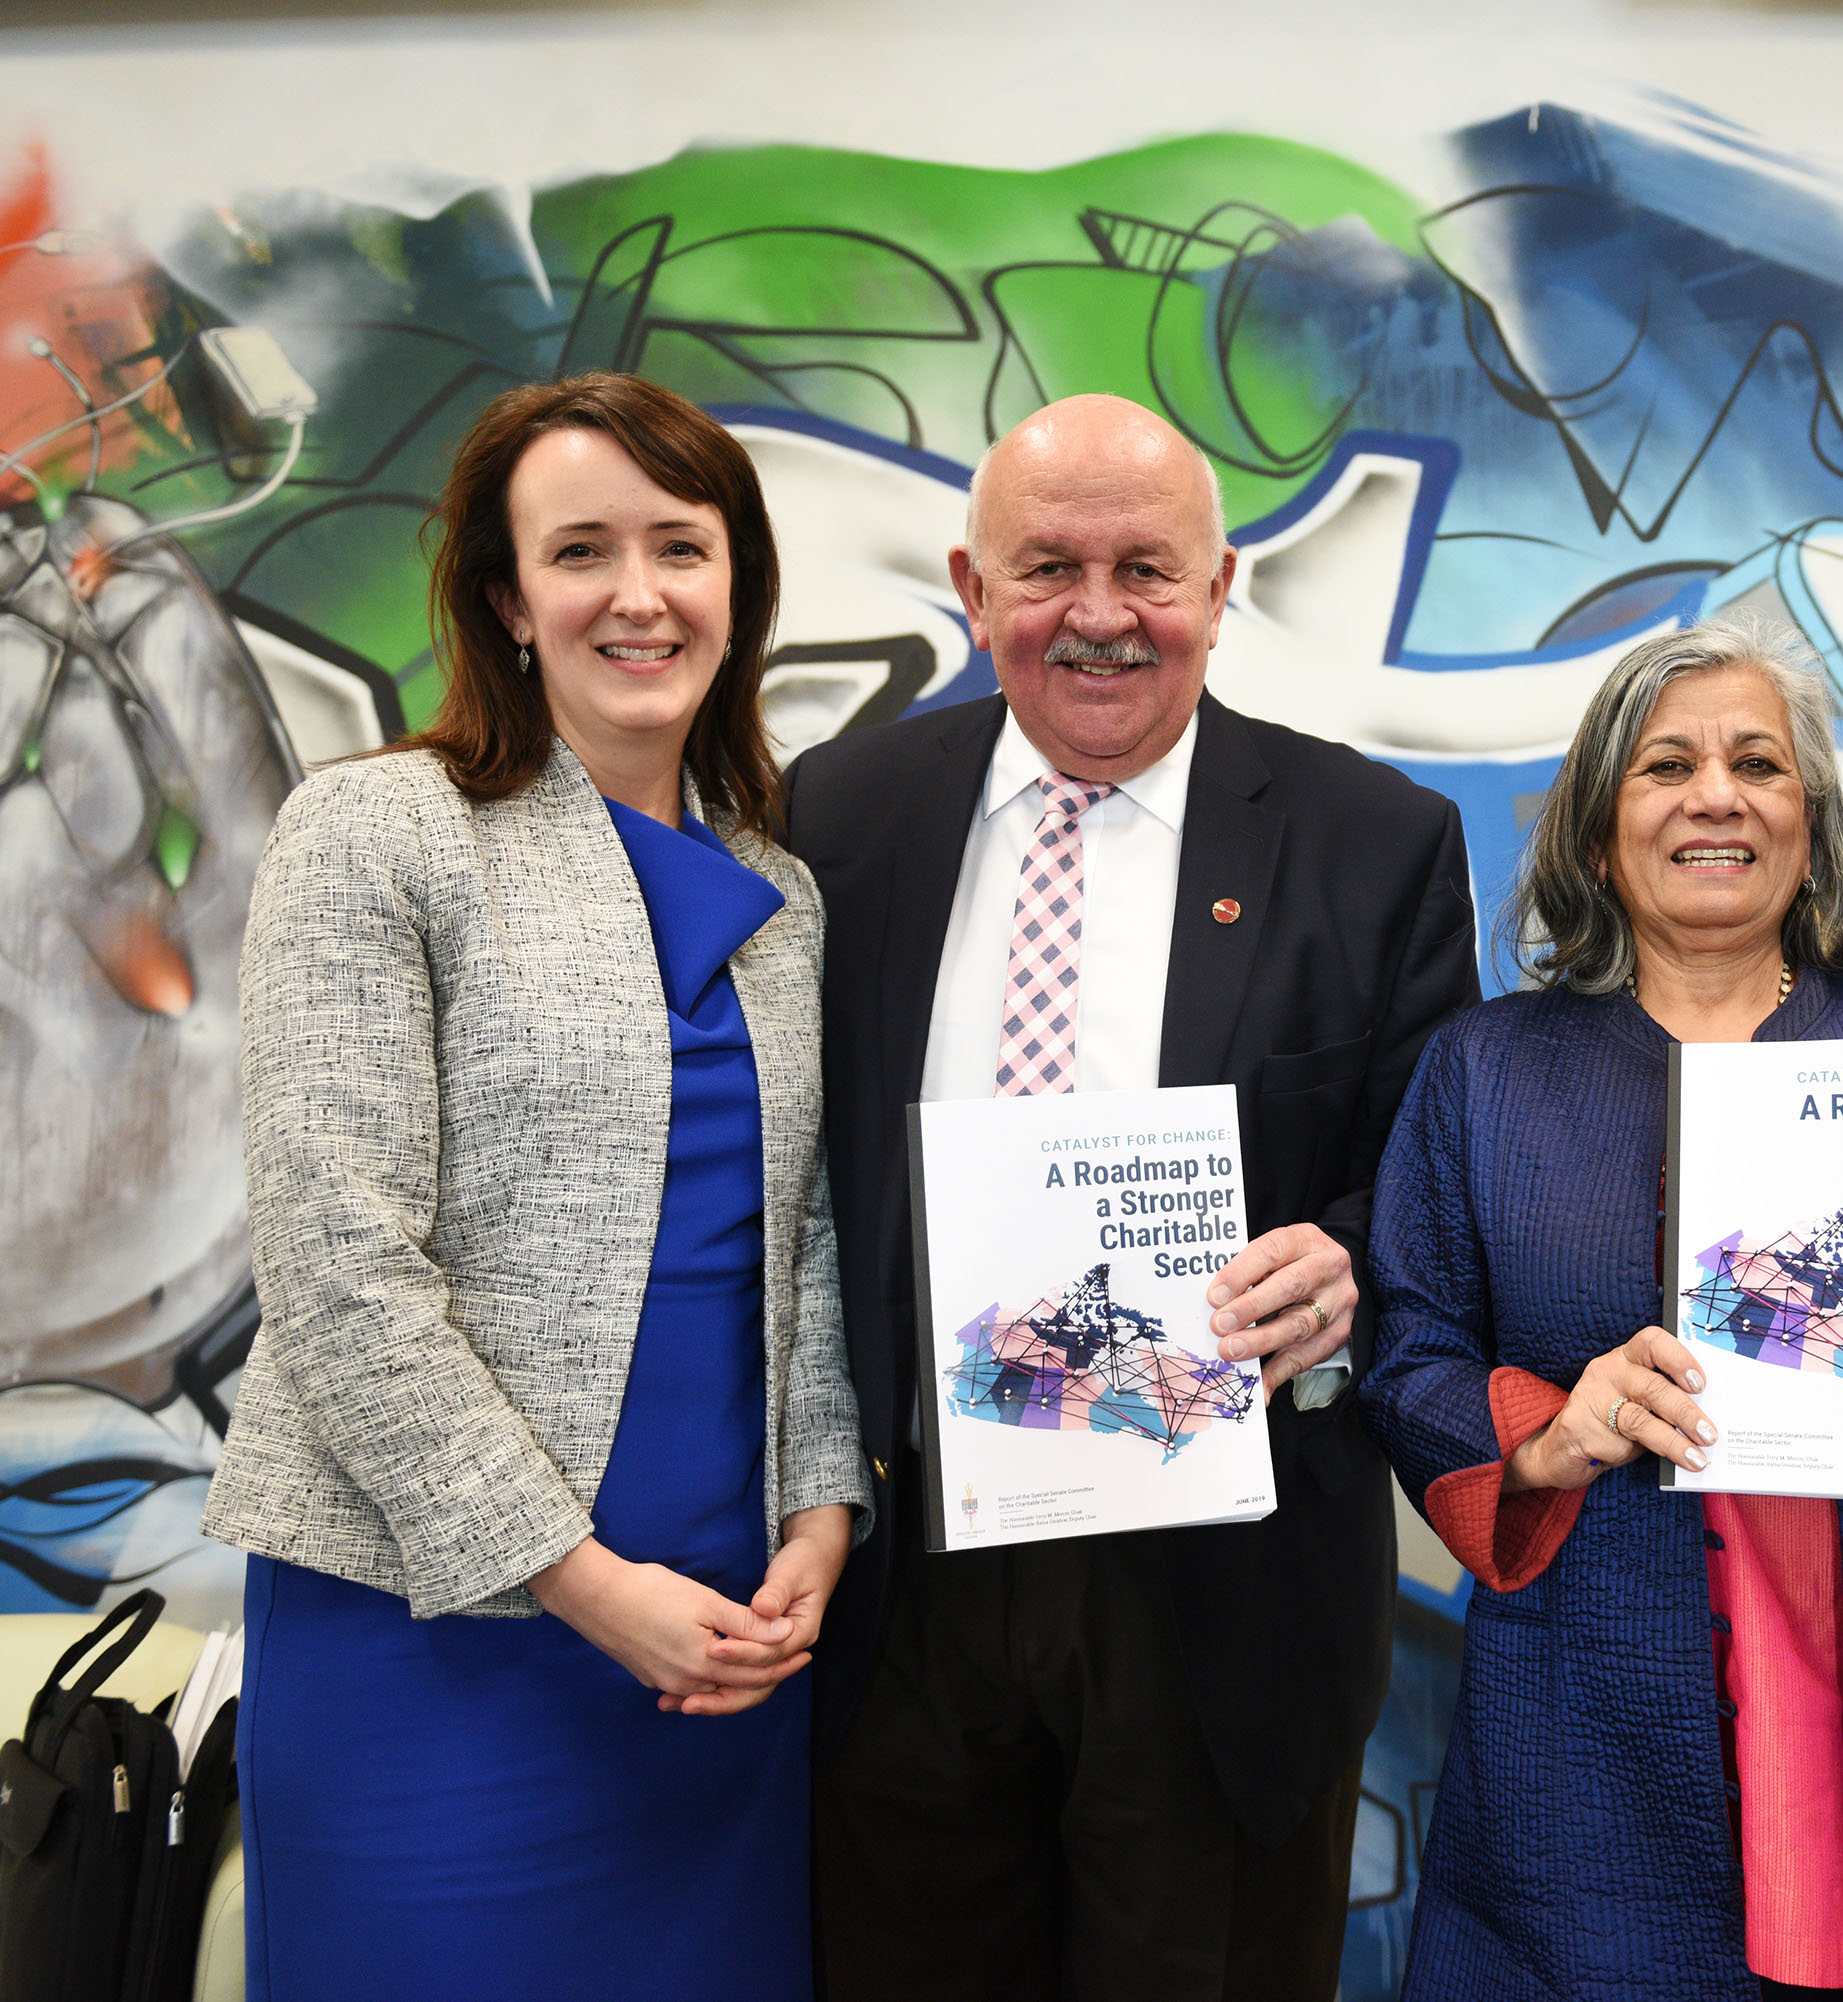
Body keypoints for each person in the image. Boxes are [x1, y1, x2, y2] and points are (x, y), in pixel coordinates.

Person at [788, 392, 1480, 2001]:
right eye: (1048, 568)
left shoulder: (1374, 840)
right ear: (973, 589)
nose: (1099, 616)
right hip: (910, 1578)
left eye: (1146, 570)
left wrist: (1351, 1269)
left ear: (1222, 589)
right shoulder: (842, 816)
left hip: (1217, 1593)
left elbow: (1438, 1187)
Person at [201, 372, 869, 2001]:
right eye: (582, 550)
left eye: (680, 547)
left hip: (719, 1647)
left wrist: (826, 1513)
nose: (637, 595)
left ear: (738, 587)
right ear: (509, 598)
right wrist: (575, 1579)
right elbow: (338, 1261)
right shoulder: (378, 832)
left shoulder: (780, 882)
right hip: (434, 1635)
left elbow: (805, 1244)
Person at [1357, 616, 1843, 2002]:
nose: (1717, 793)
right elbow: (1404, 1351)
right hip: (1587, 1715)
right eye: (1666, 766)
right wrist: (1544, 1426)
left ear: (1808, 830)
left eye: (1759, 763)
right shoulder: (1486, 1071)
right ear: (1597, 834)